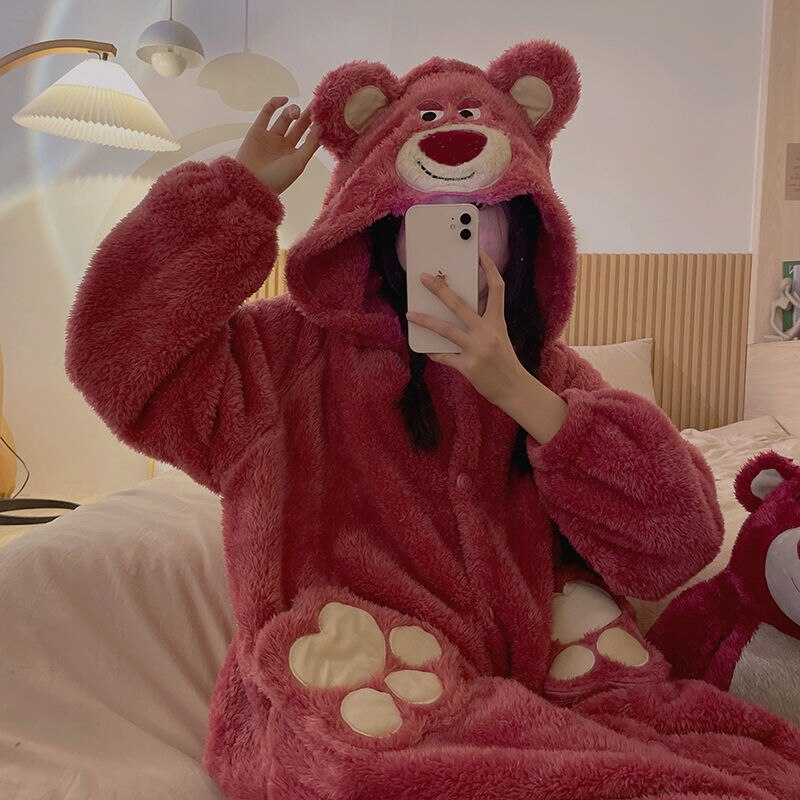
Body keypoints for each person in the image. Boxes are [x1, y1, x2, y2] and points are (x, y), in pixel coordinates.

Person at [66, 41, 800, 799]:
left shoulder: (548, 376)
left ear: (524, 232)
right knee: (351, 756)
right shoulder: (286, 357)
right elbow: (116, 356)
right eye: (426, 221)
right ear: (376, 229)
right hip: (357, 684)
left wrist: (519, 393)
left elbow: (679, 543)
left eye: (480, 216)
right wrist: (237, 196)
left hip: (542, 677)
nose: (456, 239)